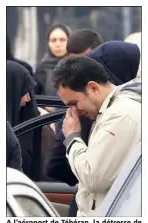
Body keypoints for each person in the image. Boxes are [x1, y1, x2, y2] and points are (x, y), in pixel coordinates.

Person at [46, 40, 141, 216]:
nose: (74, 111)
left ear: (93, 88)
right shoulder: (110, 111)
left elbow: (92, 178)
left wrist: (72, 138)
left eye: (74, 103)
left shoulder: (120, 115)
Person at [34, 24, 70, 98]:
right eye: (53, 40)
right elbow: (35, 98)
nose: (58, 44)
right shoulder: (42, 69)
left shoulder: (76, 65)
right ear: (48, 43)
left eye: (62, 40)